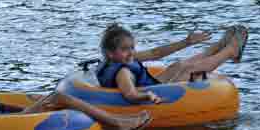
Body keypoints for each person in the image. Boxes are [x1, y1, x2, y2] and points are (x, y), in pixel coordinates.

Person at [0, 49, 151, 130]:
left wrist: (26, 109)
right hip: (4, 126)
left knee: (54, 100)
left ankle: (116, 125)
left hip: (7, 119)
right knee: (58, 97)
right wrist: (28, 114)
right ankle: (118, 123)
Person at [96, 23, 249, 103]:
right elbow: (130, 94)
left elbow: (155, 53)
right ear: (110, 53)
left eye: (132, 47)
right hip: (157, 91)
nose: (131, 52)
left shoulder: (120, 58)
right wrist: (148, 96)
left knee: (178, 65)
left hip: (152, 83)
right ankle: (231, 51)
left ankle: (217, 48)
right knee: (190, 70)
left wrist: (187, 42)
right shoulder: (123, 72)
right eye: (125, 49)